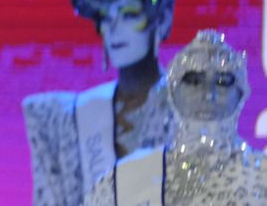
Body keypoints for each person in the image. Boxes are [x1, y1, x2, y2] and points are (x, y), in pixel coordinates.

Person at [22, 0, 185, 206]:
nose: (114, 28)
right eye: (106, 16)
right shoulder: (65, 118)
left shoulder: (192, 112)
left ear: (162, 19)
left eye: (130, 14)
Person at [84, 30, 267, 206]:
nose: (207, 94)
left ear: (241, 93)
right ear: (172, 91)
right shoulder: (124, 180)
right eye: (194, 81)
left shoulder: (261, 175)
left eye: (222, 82)